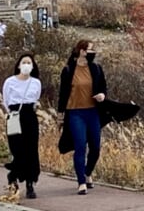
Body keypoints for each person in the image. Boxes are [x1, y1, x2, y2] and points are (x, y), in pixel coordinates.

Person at [57, 40, 106, 194]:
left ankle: (87, 172)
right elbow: (63, 94)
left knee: (95, 147)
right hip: (75, 112)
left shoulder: (96, 68)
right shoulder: (68, 70)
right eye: (90, 49)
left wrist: (102, 95)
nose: (93, 52)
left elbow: (103, 87)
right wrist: (60, 115)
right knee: (80, 146)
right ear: (82, 51)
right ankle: (81, 182)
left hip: (93, 112)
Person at [2, 54, 42, 199]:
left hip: (29, 116)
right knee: (17, 150)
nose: (26, 65)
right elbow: (6, 100)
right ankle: (13, 176)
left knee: (31, 150)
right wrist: (11, 113)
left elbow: (36, 98)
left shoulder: (35, 82)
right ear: (19, 65)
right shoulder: (10, 82)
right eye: (24, 62)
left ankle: (30, 183)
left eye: (29, 62)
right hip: (15, 116)